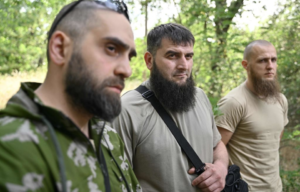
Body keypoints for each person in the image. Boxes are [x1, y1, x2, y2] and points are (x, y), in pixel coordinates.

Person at [0, 1, 142, 192]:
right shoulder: (11, 146)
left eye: (129, 57)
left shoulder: (107, 136)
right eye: (111, 48)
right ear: (60, 49)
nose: (127, 70)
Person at [111, 23, 228, 192]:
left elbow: (217, 145)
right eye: (172, 55)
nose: (184, 66)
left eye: (188, 56)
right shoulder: (126, 110)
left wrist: (221, 168)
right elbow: (116, 181)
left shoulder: (200, 97)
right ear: (149, 60)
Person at [215, 40, 289, 192]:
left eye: (273, 60)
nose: (270, 66)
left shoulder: (281, 100)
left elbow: (274, 141)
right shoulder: (234, 102)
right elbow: (215, 148)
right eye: (262, 61)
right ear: (245, 65)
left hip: (275, 188)